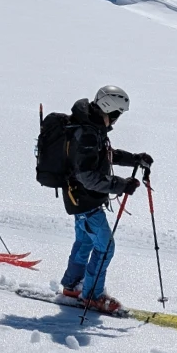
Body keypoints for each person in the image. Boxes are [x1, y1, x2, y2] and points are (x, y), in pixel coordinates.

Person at [59, 85, 153, 313]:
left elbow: (105, 156)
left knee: (85, 241)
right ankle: (92, 295)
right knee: (106, 246)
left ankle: (72, 286)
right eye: (117, 114)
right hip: (85, 200)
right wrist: (121, 185)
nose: (117, 119)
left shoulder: (90, 127)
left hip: (78, 198)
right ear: (108, 109)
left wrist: (134, 159)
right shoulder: (87, 134)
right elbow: (88, 176)